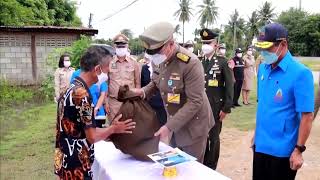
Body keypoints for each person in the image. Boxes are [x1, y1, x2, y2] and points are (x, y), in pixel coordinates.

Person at [134, 22, 214, 163]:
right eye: (151, 52)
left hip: (194, 128)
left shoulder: (190, 63)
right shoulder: (158, 59)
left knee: (191, 170)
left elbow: (195, 102)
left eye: (157, 51)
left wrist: (168, 127)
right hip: (173, 123)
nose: (154, 56)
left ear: (171, 44)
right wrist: (143, 92)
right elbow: (156, 81)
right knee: (175, 168)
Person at [54, 45, 135, 179]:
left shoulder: (72, 88)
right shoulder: (82, 96)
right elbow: (92, 136)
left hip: (65, 159)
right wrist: (114, 129)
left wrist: (108, 130)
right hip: (77, 165)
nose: (109, 72)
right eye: (107, 67)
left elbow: (78, 128)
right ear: (97, 69)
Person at [253, 23, 315, 180]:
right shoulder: (263, 68)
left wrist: (299, 149)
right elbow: (264, 105)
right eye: (260, 49)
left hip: (282, 151)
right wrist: (256, 134)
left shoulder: (300, 73)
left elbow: (307, 116)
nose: (263, 53)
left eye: (267, 48)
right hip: (260, 146)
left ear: (283, 44)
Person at [199, 29, 234, 170]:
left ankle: (211, 166)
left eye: (208, 42)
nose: (205, 45)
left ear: (216, 45)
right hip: (199, 107)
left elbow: (230, 87)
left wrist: (226, 108)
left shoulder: (222, 62)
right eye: (203, 43)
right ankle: (201, 163)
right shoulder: (198, 62)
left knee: (213, 138)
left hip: (215, 107)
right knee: (201, 136)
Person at [107, 34, 141, 120]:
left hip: (129, 102)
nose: (120, 47)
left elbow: (137, 83)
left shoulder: (134, 63)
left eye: (123, 45)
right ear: (114, 46)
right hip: (113, 103)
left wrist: (137, 101)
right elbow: (106, 83)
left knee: (130, 128)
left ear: (127, 46)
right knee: (113, 129)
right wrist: (105, 102)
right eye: (118, 45)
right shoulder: (109, 62)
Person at [141, 53, 167, 126]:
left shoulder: (165, 67)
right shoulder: (144, 68)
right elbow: (142, 85)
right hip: (149, 104)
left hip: (162, 103)